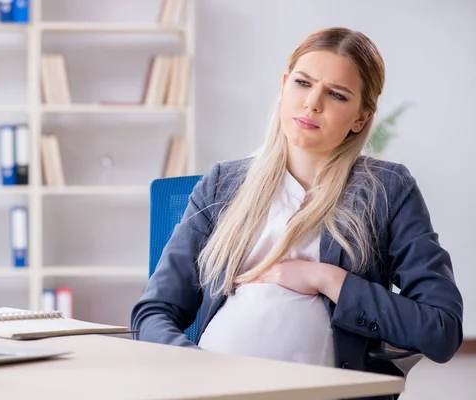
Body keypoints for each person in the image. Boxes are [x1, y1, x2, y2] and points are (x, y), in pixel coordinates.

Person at [130, 26, 463, 396]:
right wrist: (198, 369)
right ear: (285, 84)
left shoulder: (387, 190)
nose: (312, 103)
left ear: (361, 118)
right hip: (212, 389)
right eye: (303, 83)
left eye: (336, 94)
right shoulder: (223, 183)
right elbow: (153, 313)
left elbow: (441, 329)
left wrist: (326, 279)